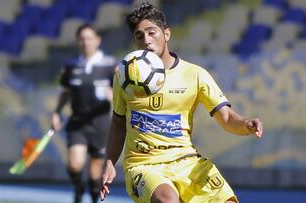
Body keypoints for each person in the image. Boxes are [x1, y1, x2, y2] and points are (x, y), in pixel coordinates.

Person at [99, 3, 263, 203]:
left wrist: (246, 124)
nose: (147, 40)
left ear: (166, 34)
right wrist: (109, 162)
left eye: (152, 33)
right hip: (144, 165)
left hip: (187, 161)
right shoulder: (125, 76)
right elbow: (118, 122)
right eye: (139, 36)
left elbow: (227, 117)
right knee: (167, 200)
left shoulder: (195, 75)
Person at [51, 24, 116, 203]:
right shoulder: (71, 66)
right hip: (78, 123)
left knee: (95, 175)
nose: (85, 42)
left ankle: (94, 197)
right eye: (82, 39)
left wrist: (112, 95)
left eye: (89, 38)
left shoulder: (110, 65)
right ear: (78, 42)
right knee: (74, 163)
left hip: (100, 124)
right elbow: (64, 93)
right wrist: (56, 113)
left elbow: (120, 93)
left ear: (97, 40)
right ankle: (79, 189)